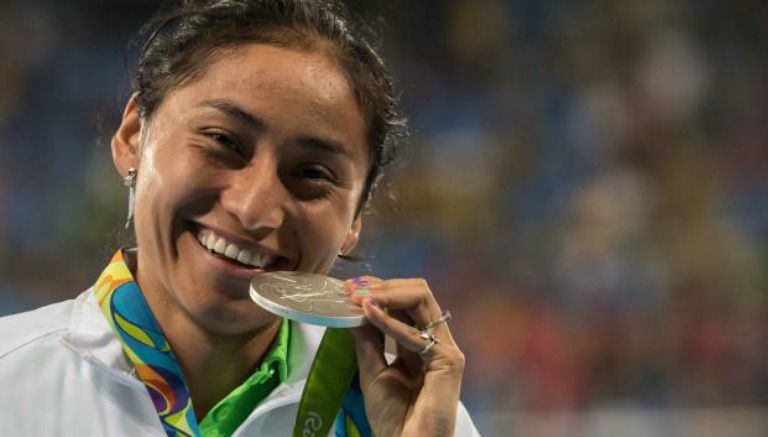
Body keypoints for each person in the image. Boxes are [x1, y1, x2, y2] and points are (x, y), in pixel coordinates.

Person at [0, 1, 479, 436]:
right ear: (132, 137)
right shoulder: (10, 382)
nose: (253, 209)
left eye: (311, 173)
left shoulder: (413, 415)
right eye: (223, 141)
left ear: (356, 215)